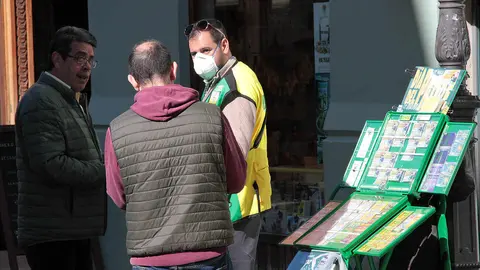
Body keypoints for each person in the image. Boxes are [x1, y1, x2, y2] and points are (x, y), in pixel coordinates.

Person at [104, 39, 247, 269]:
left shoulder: (117, 129)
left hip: (149, 255)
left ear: (133, 81)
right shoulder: (213, 116)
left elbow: (119, 196)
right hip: (207, 252)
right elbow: (237, 180)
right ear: (173, 69)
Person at [15, 26, 106, 270]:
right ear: (57, 59)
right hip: (53, 234)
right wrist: (104, 171)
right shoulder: (41, 100)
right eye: (79, 58)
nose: (86, 67)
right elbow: (51, 164)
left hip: (71, 229)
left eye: (90, 60)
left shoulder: (70, 99)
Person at [186, 18, 272, 269]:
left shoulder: (236, 86)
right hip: (229, 202)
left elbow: (235, 153)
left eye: (205, 50)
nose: (198, 59)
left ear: (224, 44)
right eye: (193, 53)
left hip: (237, 202)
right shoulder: (220, 80)